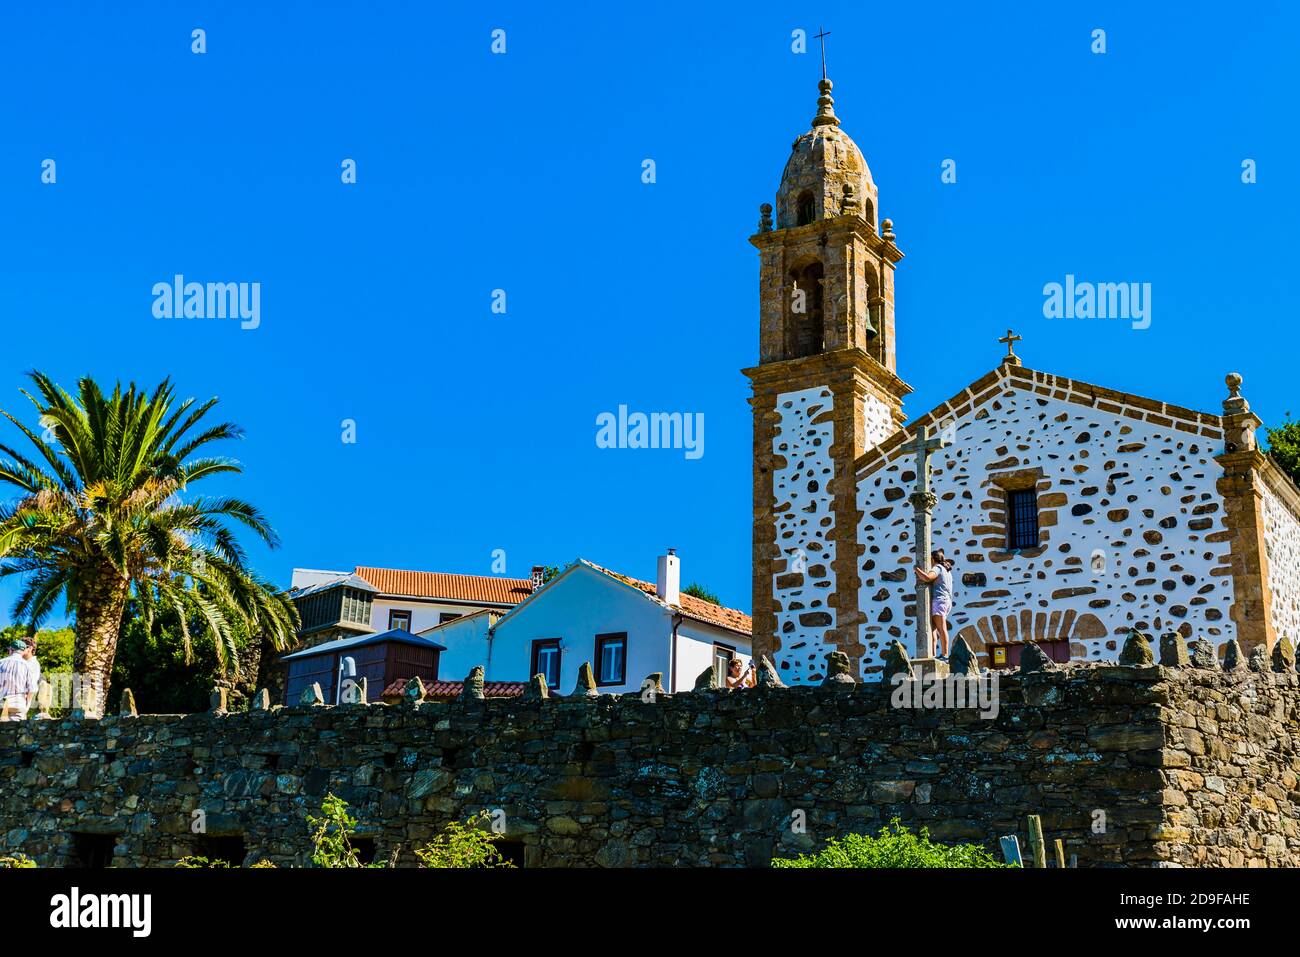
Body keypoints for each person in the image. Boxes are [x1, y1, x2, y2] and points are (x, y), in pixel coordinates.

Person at [914, 549, 955, 659]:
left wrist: (917, 569)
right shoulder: (947, 570)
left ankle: (945, 654)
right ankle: (932, 654)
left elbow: (927, 578)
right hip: (946, 601)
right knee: (933, 629)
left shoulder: (937, 568)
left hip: (939, 601)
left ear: (932, 559)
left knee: (941, 628)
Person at [0, 640, 36, 721]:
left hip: (1, 703)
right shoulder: (27, 665)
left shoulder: (1, 662)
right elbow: (31, 689)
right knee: (15, 732)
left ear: (11, 649)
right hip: (18, 705)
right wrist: (27, 706)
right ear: (23, 651)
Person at [22, 637, 40, 715]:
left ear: (29, 648)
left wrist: (27, 705)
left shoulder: (33, 664)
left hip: (25, 701)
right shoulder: (24, 662)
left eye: (21, 647)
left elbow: (32, 685)